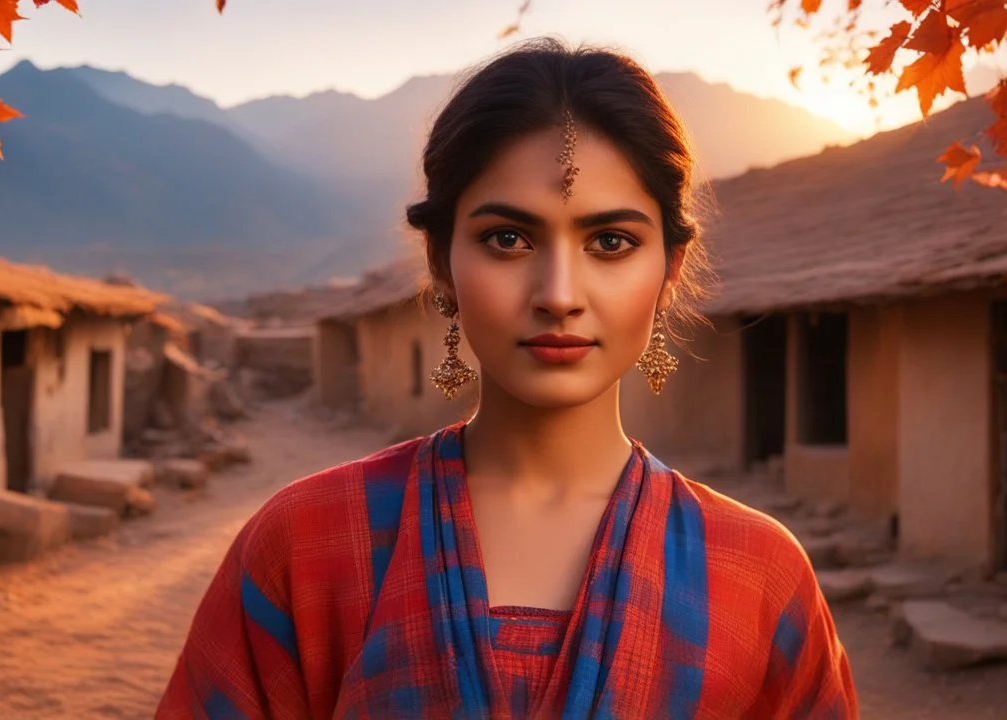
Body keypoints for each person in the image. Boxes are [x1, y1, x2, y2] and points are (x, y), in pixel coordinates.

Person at [156, 37, 857, 719]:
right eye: (508, 239)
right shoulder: (306, 543)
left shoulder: (757, 575)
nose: (558, 292)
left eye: (610, 243)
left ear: (669, 270)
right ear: (440, 264)